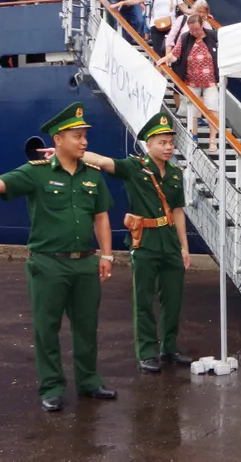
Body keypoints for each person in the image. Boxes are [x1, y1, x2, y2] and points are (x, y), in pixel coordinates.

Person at [0, 103, 117, 412]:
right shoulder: (35, 173)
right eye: (77, 136)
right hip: (48, 263)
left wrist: (106, 255)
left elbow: (101, 217)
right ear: (58, 139)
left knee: (86, 326)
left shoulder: (92, 176)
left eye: (85, 136)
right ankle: (52, 387)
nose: (84, 142)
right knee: (46, 328)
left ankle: (89, 382)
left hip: (85, 263)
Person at [70, 112, 193, 373]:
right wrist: (67, 154)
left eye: (171, 142)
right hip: (144, 243)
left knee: (173, 299)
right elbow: (102, 162)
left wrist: (184, 246)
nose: (168, 147)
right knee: (144, 301)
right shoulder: (134, 167)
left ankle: (169, 348)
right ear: (148, 145)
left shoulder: (175, 174)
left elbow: (178, 211)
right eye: (162, 142)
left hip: (170, 243)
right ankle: (147, 353)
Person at [156, 14, 219, 152]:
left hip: (211, 82)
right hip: (191, 82)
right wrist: (165, 59)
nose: (193, 32)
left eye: (196, 29)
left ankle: (212, 140)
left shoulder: (213, 36)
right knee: (193, 113)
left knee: (213, 109)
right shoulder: (185, 37)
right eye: (191, 29)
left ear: (202, 26)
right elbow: (175, 54)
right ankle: (193, 138)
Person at [114, 0, 190, 58]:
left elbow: (184, 8)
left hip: (172, 26)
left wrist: (198, 11)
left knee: (172, 53)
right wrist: (124, 2)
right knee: (158, 53)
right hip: (156, 25)